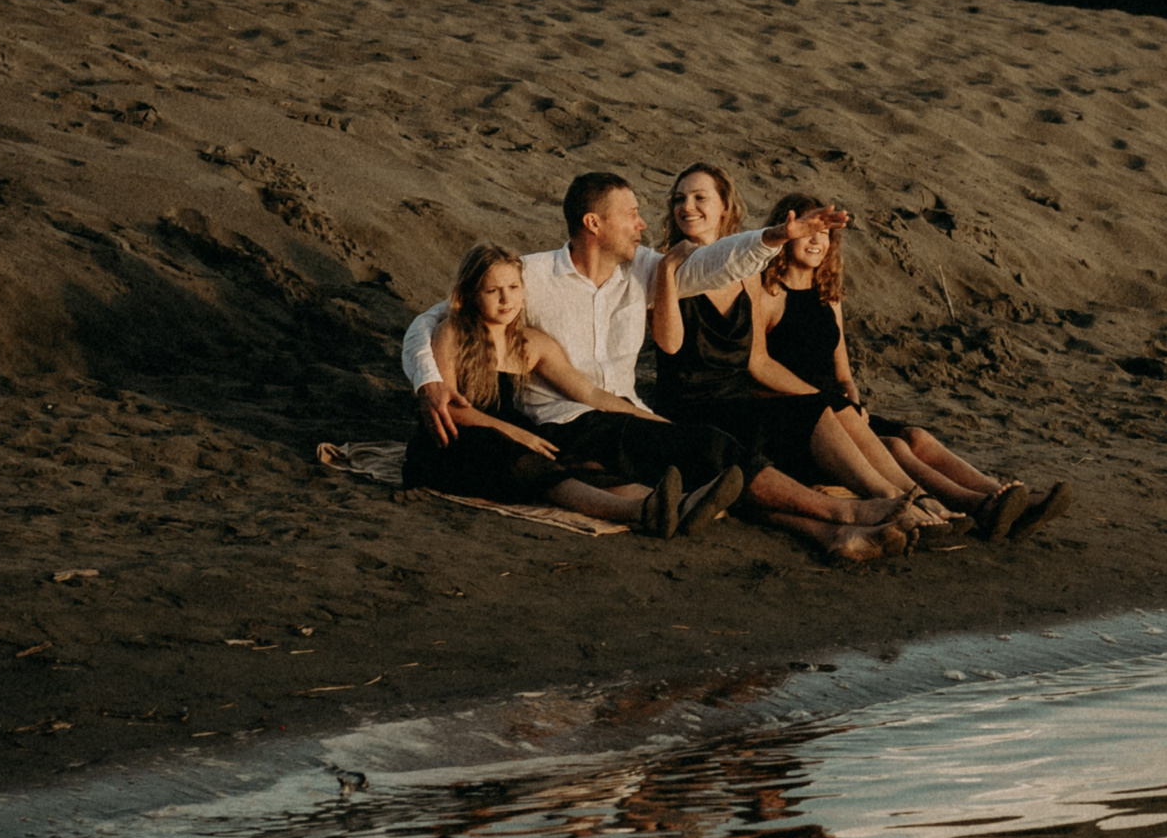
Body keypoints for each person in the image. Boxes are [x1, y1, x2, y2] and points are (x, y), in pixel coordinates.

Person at [402, 173, 909, 564]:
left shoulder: (643, 268)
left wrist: (773, 237)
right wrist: (428, 380)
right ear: (593, 224)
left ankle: (833, 535)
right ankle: (842, 511)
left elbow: (715, 265)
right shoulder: (530, 276)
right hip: (564, 421)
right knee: (709, 452)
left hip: (619, 411)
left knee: (707, 474)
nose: (643, 224)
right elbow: (436, 316)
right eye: (632, 214)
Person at [749, 191, 1072, 541]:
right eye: (808, 230)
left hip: (839, 407)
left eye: (825, 232)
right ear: (786, 232)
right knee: (895, 448)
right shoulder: (768, 293)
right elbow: (759, 366)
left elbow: (842, 370)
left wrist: (852, 399)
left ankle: (1001, 498)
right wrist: (828, 401)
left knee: (915, 437)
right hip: (803, 413)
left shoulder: (827, 291)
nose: (816, 241)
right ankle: (975, 506)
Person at [649, 165, 953, 537]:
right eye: (679, 198)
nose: (687, 206)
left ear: (725, 206)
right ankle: (891, 498)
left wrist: (787, 233)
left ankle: (913, 496)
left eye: (699, 198)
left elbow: (754, 251)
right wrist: (667, 270)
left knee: (837, 411)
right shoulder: (661, 265)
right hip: (690, 403)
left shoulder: (746, 271)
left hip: (738, 396)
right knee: (818, 410)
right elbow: (669, 344)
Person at [405, 243, 739, 536]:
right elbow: (450, 407)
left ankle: (680, 505)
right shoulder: (452, 333)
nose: (506, 299)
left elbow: (591, 395)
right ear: (470, 294)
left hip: (510, 432)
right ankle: (640, 511)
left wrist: (652, 421)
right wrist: (516, 434)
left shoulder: (530, 343)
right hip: (455, 440)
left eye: (513, 287)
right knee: (527, 461)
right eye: (492, 291)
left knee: (578, 463)